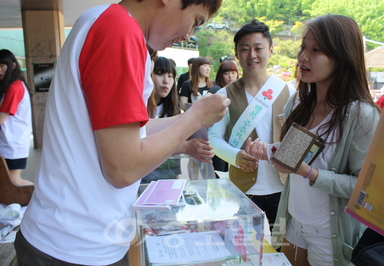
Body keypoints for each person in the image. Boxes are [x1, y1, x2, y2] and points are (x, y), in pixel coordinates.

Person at [15, 1, 229, 265]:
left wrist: (190, 117)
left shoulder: (103, 20)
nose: (188, 35)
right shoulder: (120, 31)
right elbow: (123, 169)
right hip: (75, 246)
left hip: (68, 238)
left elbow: (131, 132)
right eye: (195, 20)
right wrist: (195, 118)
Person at [245, 15, 380, 266]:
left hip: (330, 236)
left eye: (316, 49)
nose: (303, 57)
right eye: (303, 47)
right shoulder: (298, 102)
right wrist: (269, 151)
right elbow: (295, 156)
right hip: (293, 222)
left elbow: (365, 190)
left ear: (342, 57)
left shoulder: (362, 115)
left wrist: (309, 173)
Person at [208, 19, 293, 232]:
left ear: (271, 50)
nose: (252, 55)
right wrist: (235, 156)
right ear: (237, 54)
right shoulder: (223, 95)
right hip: (242, 189)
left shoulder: (289, 93)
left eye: (258, 48)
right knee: (246, 250)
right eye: (245, 49)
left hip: (283, 187)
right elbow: (214, 139)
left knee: (281, 247)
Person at [143, 56, 214, 183]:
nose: (166, 81)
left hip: (168, 173)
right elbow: (140, 145)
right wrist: (185, 147)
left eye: (170, 76)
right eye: (159, 74)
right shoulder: (140, 107)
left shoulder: (172, 107)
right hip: (144, 175)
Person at [0, 49, 33, 187]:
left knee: (13, 181)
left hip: (13, 144)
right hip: (9, 142)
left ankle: (43, 196)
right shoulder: (12, 86)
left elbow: (1, 118)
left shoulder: (15, 88)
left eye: (2, 66)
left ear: (13, 65)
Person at [209, 59, 240, 173]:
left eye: (233, 72)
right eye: (226, 73)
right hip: (218, 140)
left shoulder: (238, 92)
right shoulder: (217, 91)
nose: (230, 76)